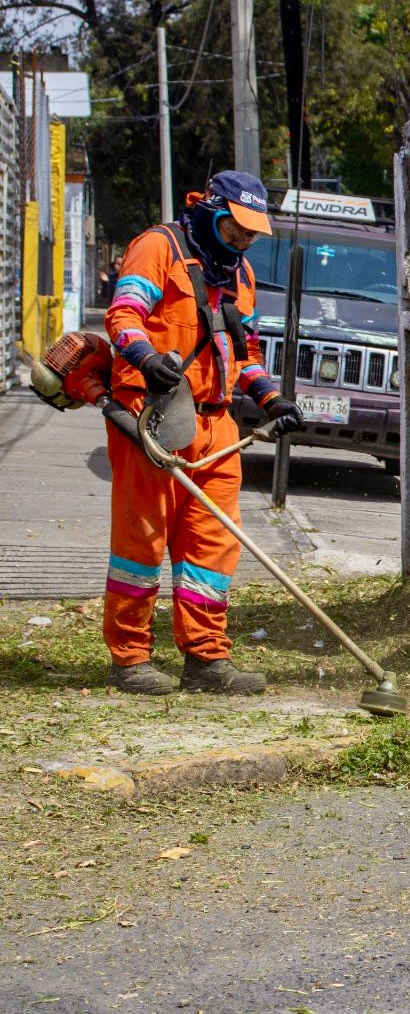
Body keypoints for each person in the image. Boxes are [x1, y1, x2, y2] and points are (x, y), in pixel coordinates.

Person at [102, 171, 303, 695]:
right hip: (152, 414)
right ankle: (130, 660)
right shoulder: (157, 247)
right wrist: (145, 358)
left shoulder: (240, 275)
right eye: (235, 228)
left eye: (251, 232)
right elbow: (123, 316)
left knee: (212, 547)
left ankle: (206, 658)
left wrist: (270, 400)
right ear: (210, 211)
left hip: (216, 423)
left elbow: (248, 353)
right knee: (141, 542)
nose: (243, 239)